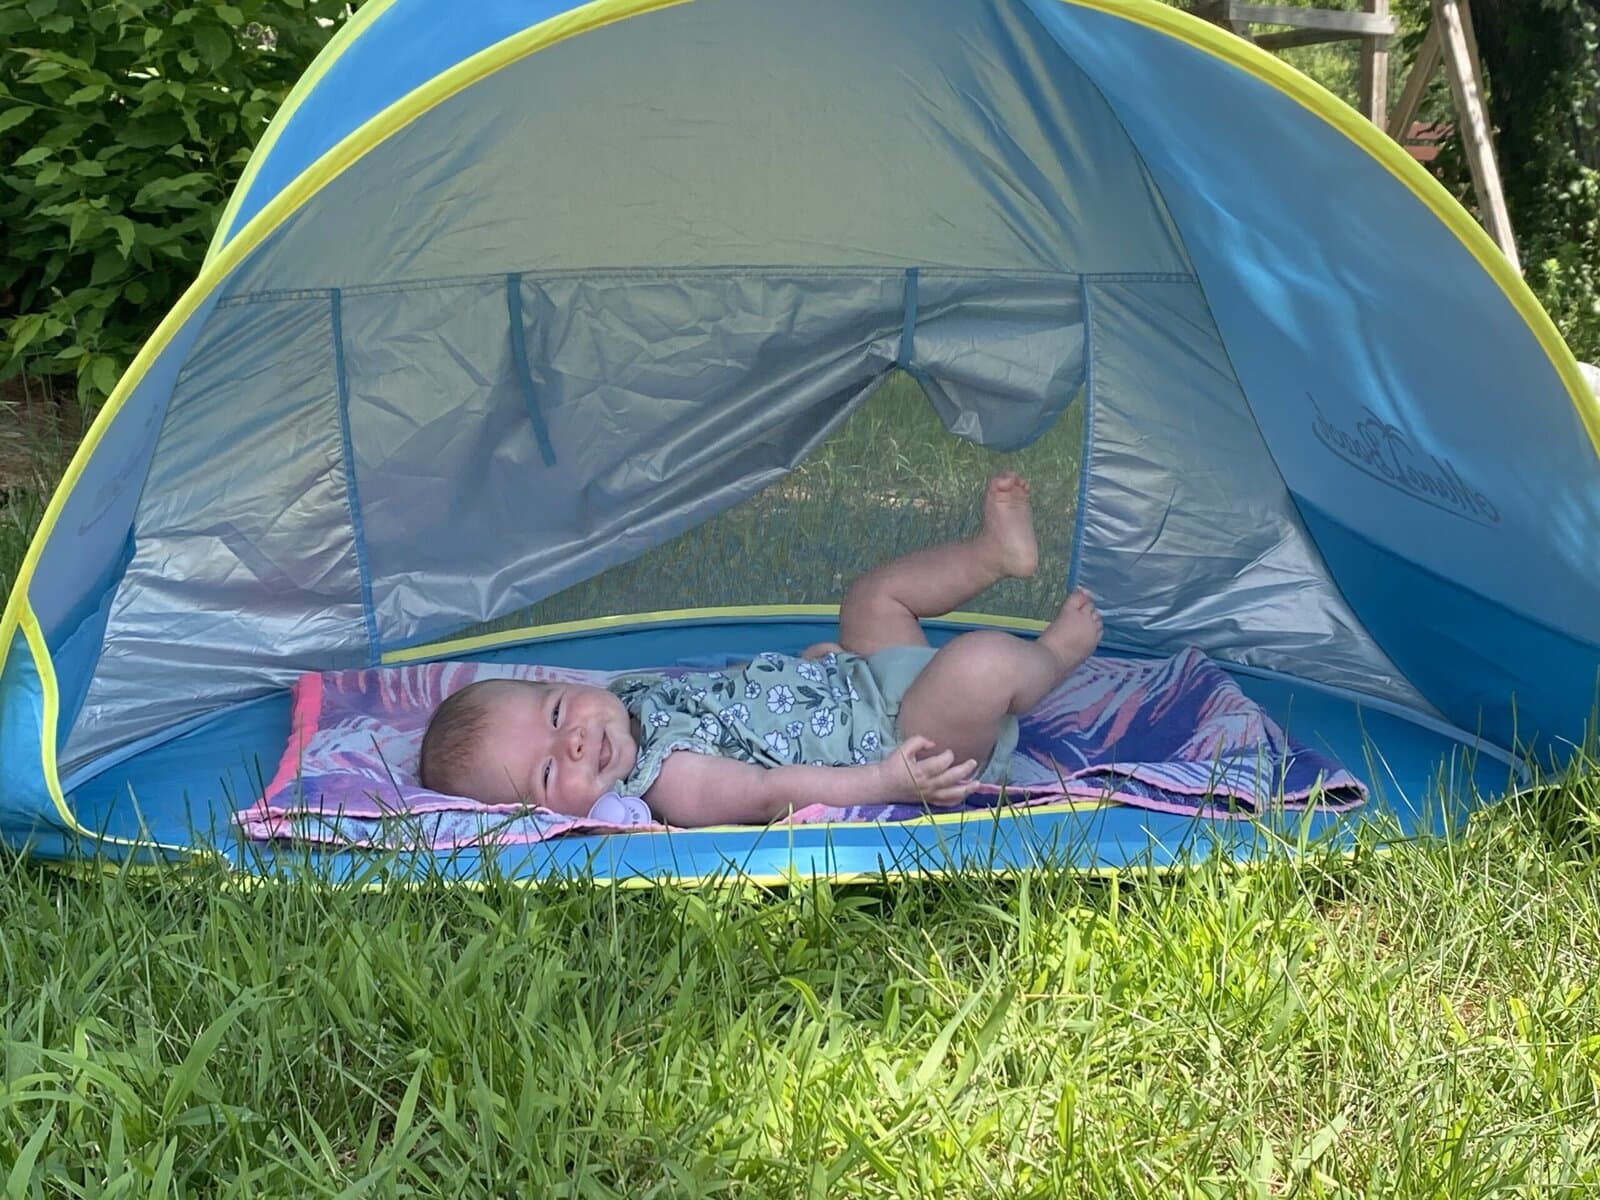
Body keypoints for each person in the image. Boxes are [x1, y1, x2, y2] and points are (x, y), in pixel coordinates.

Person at [418, 473, 1101, 827]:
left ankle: (992, 554)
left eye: (558, 713)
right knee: (979, 665)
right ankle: (1053, 658)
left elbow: (738, 710)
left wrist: (810, 673)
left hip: (861, 680)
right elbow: (767, 788)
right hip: (902, 738)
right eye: (545, 775)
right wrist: (885, 784)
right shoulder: (668, 782)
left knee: (871, 598)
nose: (571, 743)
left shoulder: (627, 702)